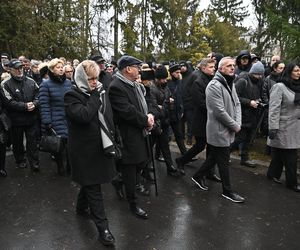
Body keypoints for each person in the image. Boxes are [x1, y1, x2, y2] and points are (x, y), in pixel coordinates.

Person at [64, 60, 116, 246]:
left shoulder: (101, 91)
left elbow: (108, 115)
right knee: (94, 187)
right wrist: (95, 96)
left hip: (101, 145)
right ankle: (103, 229)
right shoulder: (71, 95)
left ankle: (80, 208)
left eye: (96, 78)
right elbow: (84, 116)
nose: (94, 82)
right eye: (90, 79)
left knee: (90, 183)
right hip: (83, 151)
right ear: (80, 78)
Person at [191, 57, 245, 203]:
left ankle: (197, 175)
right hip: (218, 130)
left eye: (233, 65)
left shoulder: (230, 82)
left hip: (229, 127)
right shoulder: (214, 86)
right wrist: (235, 125)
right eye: (229, 66)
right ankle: (227, 191)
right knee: (223, 161)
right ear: (221, 69)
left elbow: (237, 103)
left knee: (214, 157)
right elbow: (219, 112)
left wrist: (237, 122)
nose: (232, 68)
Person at [109, 55, 154, 219]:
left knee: (141, 163)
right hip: (127, 135)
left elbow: (142, 105)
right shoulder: (116, 86)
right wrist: (145, 120)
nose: (139, 70)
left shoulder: (134, 85)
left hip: (139, 131)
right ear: (128, 69)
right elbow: (127, 111)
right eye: (137, 67)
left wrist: (149, 115)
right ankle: (133, 204)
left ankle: (119, 181)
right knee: (131, 169)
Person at [176, 58, 221, 181]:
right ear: (203, 68)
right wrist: (216, 111)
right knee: (200, 145)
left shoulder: (211, 79)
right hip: (202, 119)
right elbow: (200, 103)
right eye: (211, 67)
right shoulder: (198, 81)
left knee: (211, 148)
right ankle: (181, 161)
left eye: (214, 67)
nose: (214, 69)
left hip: (210, 119)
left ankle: (209, 172)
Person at [1, 59, 40, 171]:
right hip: (16, 120)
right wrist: (25, 106)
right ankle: (20, 160)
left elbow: (39, 95)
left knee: (32, 142)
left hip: (31, 118)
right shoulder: (5, 84)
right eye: (16, 68)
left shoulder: (31, 81)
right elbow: (8, 102)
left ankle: (34, 162)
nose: (19, 70)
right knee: (17, 142)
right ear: (10, 70)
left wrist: (35, 103)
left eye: (21, 68)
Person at [267, 62, 300, 192]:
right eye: (296, 70)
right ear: (289, 71)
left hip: (295, 126)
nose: (299, 73)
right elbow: (274, 108)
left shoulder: (298, 86)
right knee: (291, 155)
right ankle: (292, 183)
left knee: (279, 153)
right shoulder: (279, 87)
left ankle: (272, 174)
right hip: (283, 127)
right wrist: (273, 127)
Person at [39, 58, 72, 175]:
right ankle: (60, 166)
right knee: (58, 145)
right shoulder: (45, 84)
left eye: (62, 66)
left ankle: (69, 166)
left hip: (68, 118)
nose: (61, 69)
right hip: (55, 119)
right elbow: (44, 104)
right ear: (52, 70)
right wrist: (47, 121)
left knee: (70, 145)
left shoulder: (68, 83)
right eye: (58, 67)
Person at [230, 61, 265, 167]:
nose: (259, 77)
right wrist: (249, 102)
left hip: (253, 115)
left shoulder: (258, 82)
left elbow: (255, 95)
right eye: (258, 74)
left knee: (248, 139)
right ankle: (223, 154)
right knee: (240, 138)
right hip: (243, 116)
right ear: (253, 72)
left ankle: (244, 159)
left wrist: (258, 101)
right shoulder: (242, 81)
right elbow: (234, 97)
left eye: (261, 74)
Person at [151, 65, 180, 176]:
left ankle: (170, 166)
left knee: (165, 145)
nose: (164, 81)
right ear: (157, 78)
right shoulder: (153, 88)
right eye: (161, 79)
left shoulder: (165, 87)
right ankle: (144, 169)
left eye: (165, 78)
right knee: (150, 146)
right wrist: (165, 104)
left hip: (165, 120)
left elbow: (168, 99)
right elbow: (154, 106)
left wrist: (167, 104)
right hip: (157, 122)